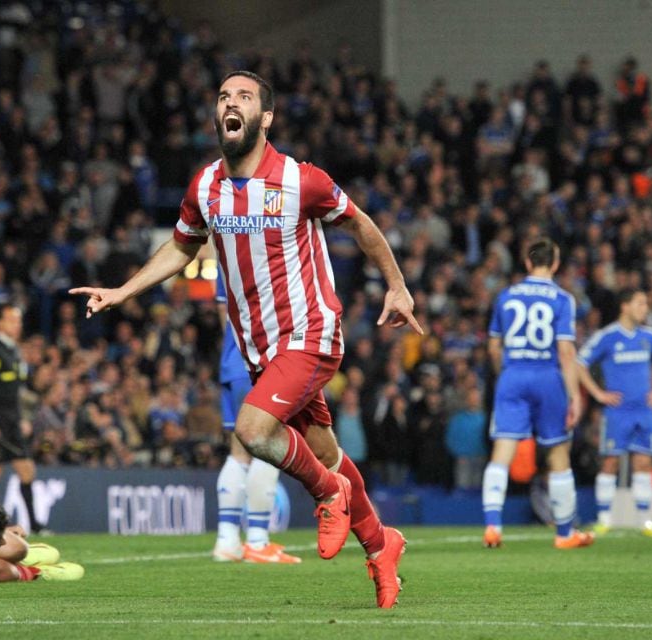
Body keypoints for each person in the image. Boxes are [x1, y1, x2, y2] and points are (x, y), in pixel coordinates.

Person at [71, 70, 420, 608]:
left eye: (244, 96)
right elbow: (182, 247)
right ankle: (380, 544)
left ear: (267, 117)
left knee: (255, 430)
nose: (230, 103)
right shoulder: (205, 186)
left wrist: (396, 286)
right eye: (223, 96)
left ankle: (330, 496)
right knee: (325, 453)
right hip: (259, 349)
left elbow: (360, 224)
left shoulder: (301, 180)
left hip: (310, 332)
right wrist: (125, 290)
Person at [482, 238, 594, 550]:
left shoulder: (506, 296)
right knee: (558, 454)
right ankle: (564, 533)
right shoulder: (562, 298)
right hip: (547, 377)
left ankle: (492, 526)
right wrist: (574, 395)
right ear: (555, 264)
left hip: (513, 374)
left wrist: (504, 372)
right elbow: (565, 350)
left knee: (502, 452)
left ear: (529, 263)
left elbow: (493, 346)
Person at [212, 268, 300, 564]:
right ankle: (258, 540)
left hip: (233, 362)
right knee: (266, 445)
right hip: (263, 361)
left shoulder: (228, 247)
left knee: (238, 451)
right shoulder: (272, 253)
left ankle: (227, 541)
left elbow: (223, 312)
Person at [577, 288, 652, 537]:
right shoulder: (608, 336)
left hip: (643, 411)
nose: (645, 308)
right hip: (617, 412)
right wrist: (598, 394)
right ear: (625, 306)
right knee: (610, 462)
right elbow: (580, 363)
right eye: (640, 303)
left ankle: (644, 521)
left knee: (643, 462)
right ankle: (604, 519)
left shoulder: (649, 336)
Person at [0, 305, 46, 533]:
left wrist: (23, 418)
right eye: (12, 320)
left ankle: (33, 524)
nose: (18, 324)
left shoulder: (14, 352)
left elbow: (18, 392)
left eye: (19, 320)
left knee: (25, 469)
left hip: (12, 420)